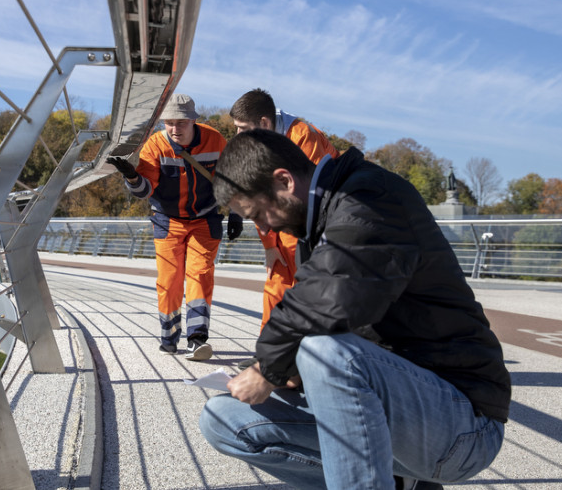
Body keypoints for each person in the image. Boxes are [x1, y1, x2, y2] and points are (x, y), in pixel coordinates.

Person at [199, 130, 511, 489]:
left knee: (325, 352)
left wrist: (267, 368)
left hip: (462, 424)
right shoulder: (317, 224)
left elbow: (330, 296)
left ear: (283, 181)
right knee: (222, 419)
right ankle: (397, 482)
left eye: (258, 214)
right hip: (396, 411)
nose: (264, 227)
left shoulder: (369, 197)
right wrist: (292, 371)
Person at [106, 93, 243, 361]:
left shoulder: (216, 141)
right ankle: (169, 335)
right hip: (168, 220)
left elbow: (233, 179)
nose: (174, 129)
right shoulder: (155, 145)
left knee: (200, 275)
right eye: (168, 122)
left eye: (180, 123)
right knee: (169, 282)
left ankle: (196, 338)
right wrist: (133, 177)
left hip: (205, 218)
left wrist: (236, 213)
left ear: (194, 120)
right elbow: (145, 191)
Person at [229, 88, 340, 346]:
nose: (237, 136)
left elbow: (306, 194)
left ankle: (303, 356)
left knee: (307, 287)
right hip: (287, 218)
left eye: (242, 128)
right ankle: (268, 355)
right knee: (276, 282)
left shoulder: (304, 137)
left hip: (316, 220)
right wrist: (269, 245)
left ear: (264, 123)